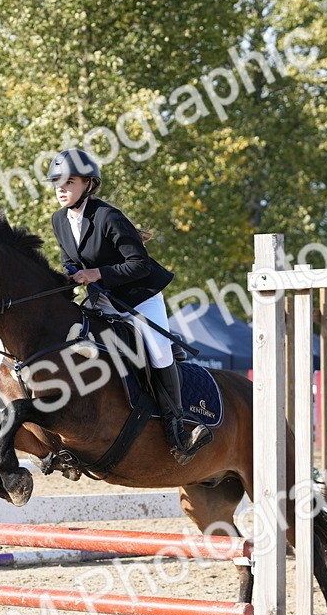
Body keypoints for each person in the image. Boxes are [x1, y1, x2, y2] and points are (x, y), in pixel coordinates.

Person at [45, 149, 212, 465]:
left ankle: (179, 425)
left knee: (159, 351)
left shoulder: (108, 217)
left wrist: (97, 273)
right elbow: (69, 260)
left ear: (89, 185)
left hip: (140, 299)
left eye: (68, 182)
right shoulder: (59, 220)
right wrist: (67, 276)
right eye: (56, 182)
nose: (60, 189)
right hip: (102, 301)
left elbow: (140, 265)